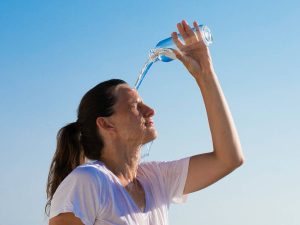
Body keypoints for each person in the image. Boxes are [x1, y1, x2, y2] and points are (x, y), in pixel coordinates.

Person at [46, 20, 244, 225]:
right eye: (135, 106)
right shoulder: (89, 181)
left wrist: (205, 74)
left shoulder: (155, 180)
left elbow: (229, 158)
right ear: (106, 124)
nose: (150, 111)